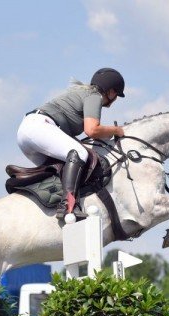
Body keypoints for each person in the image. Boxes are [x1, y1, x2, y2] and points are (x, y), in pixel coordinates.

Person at [17, 68, 126, 219]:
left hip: (27, 132)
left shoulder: (82, 93)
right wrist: (117, 130)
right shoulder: (94, 96)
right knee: (79, 153)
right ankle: (68, 205)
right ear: (111, 91)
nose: (114, 100)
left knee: (61, 171)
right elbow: (92, 130)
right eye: (116, 95)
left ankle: (51, 209)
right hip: (40, 126)